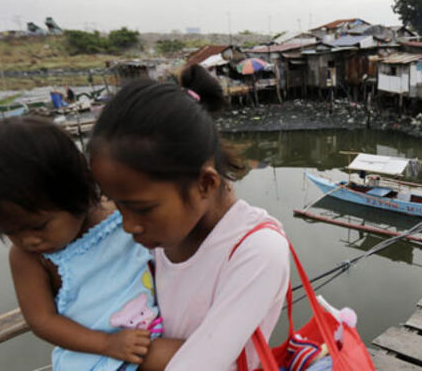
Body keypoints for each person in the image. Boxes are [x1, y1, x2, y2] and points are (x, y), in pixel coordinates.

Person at [88, 64, 291, 371]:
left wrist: (110, 352)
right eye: (118, 205)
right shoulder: (165, 228)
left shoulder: (257, 250)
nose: (128, 226)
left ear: (205, 184)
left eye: (141, 209)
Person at [0, 117, 181, 371]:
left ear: (77, 193)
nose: (28, 240)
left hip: (154, 326)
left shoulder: (120, 213)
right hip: (99, 353)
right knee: (186, 356)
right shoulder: (29, 258)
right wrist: (106, 343)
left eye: (39, 226)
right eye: (11, 232)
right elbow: (42, 320)